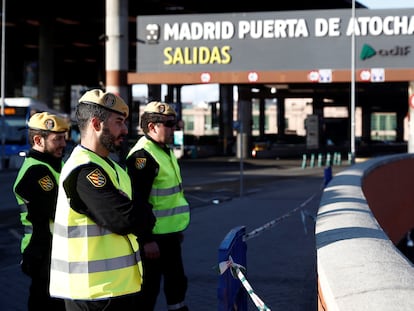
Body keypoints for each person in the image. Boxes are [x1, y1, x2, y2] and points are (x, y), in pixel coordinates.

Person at [49, 89, 144, 310]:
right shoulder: (84, 169)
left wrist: (138, 211)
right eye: (119, 122)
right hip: (91, 294)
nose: (125, 129)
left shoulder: (109, 166)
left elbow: (134, 212)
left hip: (112, 289)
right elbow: (124, 219)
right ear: (96, 123)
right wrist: (138, 212)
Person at [126, 101, 190, 311]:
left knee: (177, 284)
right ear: (152, 127)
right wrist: (146, 240)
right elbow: (137, 202)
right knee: (147, 292)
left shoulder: (163, 150)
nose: (174, 129)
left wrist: (175, 230)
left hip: (168, 235)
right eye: (169, 124)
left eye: (174, 124)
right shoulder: (142, 156)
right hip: (152, 240)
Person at [13, 111, 69, 310]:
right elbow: (61, 209)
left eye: (65, 138)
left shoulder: (57, 165)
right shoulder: (36, 171)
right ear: (38, 140)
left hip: (55, 251)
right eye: (58, 139)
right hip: (42, 252)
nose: (64, 144)